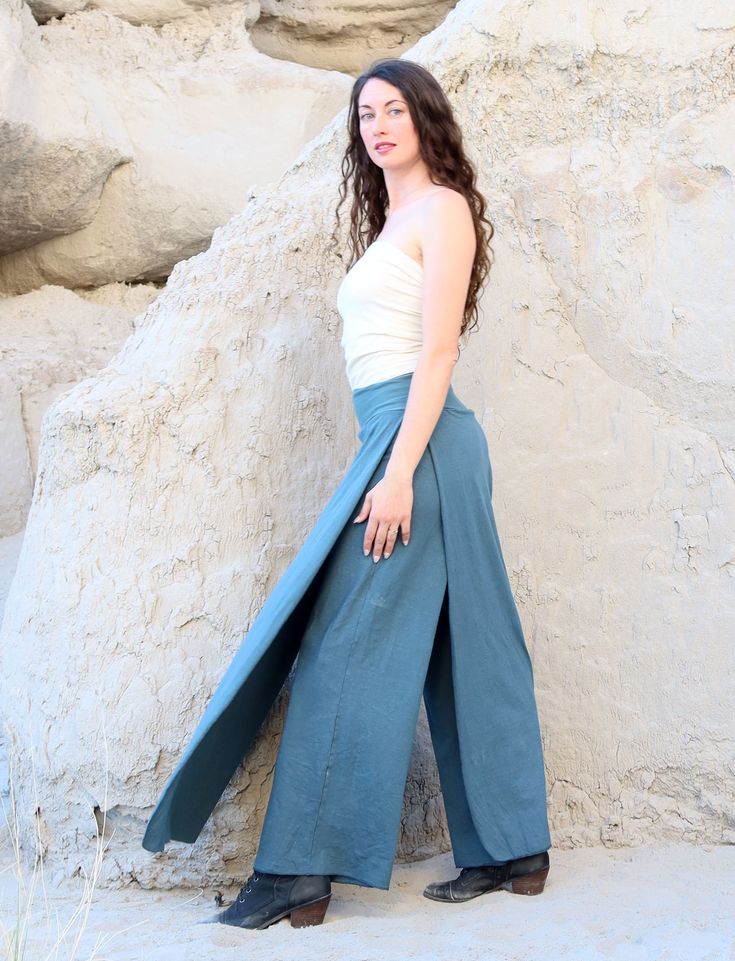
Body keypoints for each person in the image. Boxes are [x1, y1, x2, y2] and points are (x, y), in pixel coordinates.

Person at [141, 56, 552, 930]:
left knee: (343, 645)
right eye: (364, 113)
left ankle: (298, 869)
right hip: (398, 436)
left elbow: (436, 353)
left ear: (425, 118)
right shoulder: (394, 217)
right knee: (465, 645)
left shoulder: (441, 211)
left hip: (420, 443)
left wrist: (398, 471)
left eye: (394, 108)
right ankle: (513, 847)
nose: (378, 125)